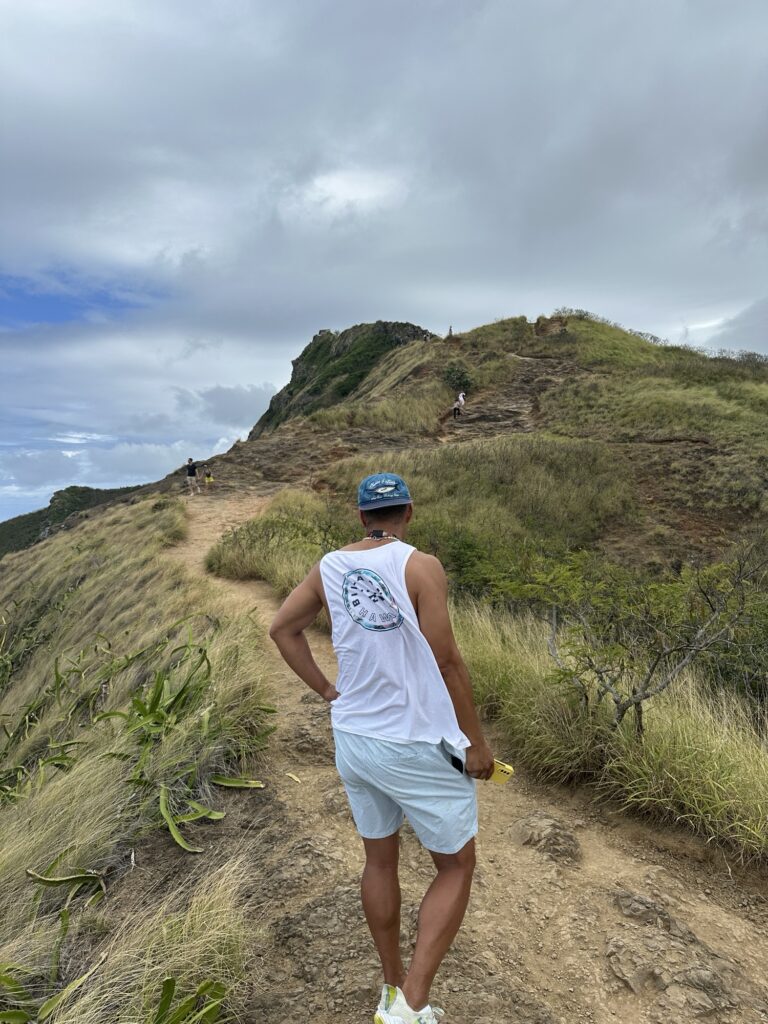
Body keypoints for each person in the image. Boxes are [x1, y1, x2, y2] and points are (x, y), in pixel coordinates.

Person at [269, 473, 494, 1024]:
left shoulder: (328, 567)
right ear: (409, 513)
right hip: (415, 740)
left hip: (355, 738)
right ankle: (410, 1005)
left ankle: (392, 987)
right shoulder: (421, 567)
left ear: (362, 516)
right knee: (456, 866)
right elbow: (446, 660)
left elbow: (282, 629)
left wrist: (327, 690)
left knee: (380, 858)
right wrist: (476, 745)